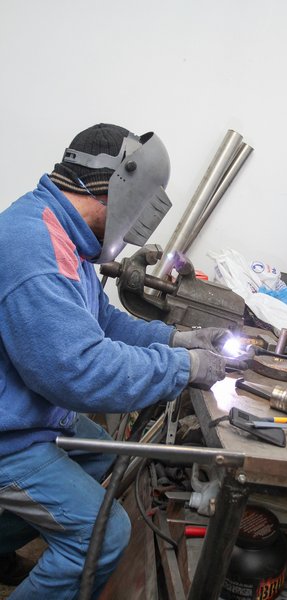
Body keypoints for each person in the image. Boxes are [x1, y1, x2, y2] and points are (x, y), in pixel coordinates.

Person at [0, 123, 230, 599]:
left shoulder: (62, 231)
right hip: (9, 437)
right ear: (119, 190)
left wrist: (177, 338)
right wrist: (183, 367)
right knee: (100, 536)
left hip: (29, 413)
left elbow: (101, 321)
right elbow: (79, 370)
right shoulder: (35, 248)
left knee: (103, 453)